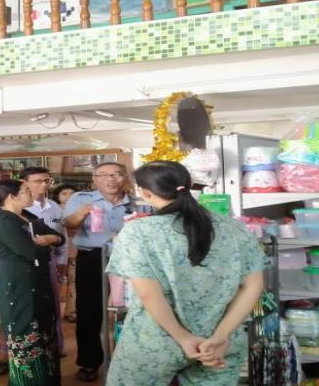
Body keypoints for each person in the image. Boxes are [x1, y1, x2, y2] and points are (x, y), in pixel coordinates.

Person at [105, 161, 266, 385]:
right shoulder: (234, 228)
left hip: (156, 342)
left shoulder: (139, 231)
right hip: (219, 345)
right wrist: (222, 335)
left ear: (145, 192)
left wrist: (184, 338)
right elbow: (253, 286)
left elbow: (149, 295)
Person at [0, 179, 65, 385]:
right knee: (26, 326)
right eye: (26, 190)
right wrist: (48, 242)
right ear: (12, 197)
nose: (32, 193)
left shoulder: (27, 215)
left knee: (44, 328)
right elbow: (31, 251)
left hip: (38, 279)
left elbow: (58, 237)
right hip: (18, 282)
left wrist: (52, 239)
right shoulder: (2, 222)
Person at [63, 162, 133, 382]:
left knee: (129, 308)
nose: (110, 179)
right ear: (94, 180)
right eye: (103, 175)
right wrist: (81, 213)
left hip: (129, 260)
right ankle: (89, 362)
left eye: (116, 174)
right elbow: (68, 224)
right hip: (92, 257)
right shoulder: (81, 198)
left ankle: (128, 359)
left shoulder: (135, 202)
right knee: (89, 311)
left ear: (124, 177)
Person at [20, 167, 67, 355]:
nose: (43, 185)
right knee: (28, 307)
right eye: (37, 181)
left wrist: (62, 258)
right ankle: (20, 352)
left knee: (53, 304)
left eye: (47, 180)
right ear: (24, 183)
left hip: (50, 260)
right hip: (24, 264)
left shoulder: (54, 207)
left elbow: (62, 235)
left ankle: (55, 346)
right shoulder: (16, 207)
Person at [52, 183, 79, 323]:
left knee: (74, 282)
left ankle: (72, 310)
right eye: (64, 193)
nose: (68, 196)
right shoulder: (53, 210)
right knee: (57, 282)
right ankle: (54, 312)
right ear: (57, 196)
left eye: (72, 193)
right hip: (57, 251)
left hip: (75, 250)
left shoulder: (79, 210)